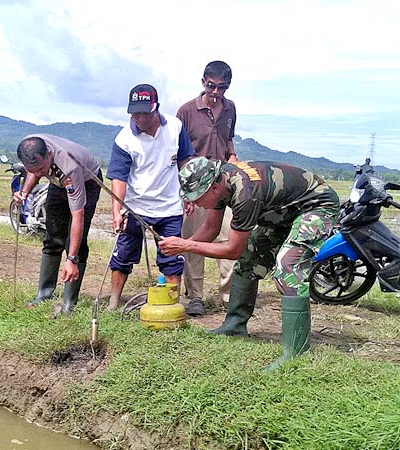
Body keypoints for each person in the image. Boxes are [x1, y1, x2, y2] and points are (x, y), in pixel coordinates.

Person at [159, 157, 339, 369]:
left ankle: (296, 352)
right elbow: (210, 229)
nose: (195, 203)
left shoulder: (245, 194)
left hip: (316, 206)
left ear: (214, 188)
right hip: (282, 213)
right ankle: (235, 326)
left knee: (288, 267)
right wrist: (182, 246)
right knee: (248, 260)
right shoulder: (221, 180)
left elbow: (232, 250)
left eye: (197, 198)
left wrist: (185, 246)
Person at [105, 84, 195, 310]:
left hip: (171, 207)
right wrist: (117, 212)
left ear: (156, 108)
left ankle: (172, 305)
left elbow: (185, 162)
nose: (140, 118)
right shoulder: (124, 139)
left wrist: (190, 193)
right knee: (123, 254)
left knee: (172, 258)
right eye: (135, 113)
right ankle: (114, 300)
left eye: (145, 112)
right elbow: (119, 179)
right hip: (135, 207)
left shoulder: (175, 127)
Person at [13, 134, 102, 315]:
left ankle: (70, 302)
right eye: (34, 170)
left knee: (75, 240)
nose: (39, 175)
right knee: (52, 233)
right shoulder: (31, 147)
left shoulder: (69, 167)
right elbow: (34, 170)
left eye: (41, 169)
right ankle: (44, 294)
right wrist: (24, 193)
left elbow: (78, 217)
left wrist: (71, 259)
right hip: (57, 181)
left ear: (50, 154)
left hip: (87, 181)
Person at [177, 60, 238, 316]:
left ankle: (228, 295)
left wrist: (233, 158)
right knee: (195, 239)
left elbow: (229, 139)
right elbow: (179, 152)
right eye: (212, 86)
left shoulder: (230, 109)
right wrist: (187, 192)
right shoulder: (187, 111)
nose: (216, 92)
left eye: (222, 88)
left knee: (229, 238)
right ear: (203, 82)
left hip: (224, 185)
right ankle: (196, 296)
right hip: (197, 188)